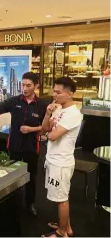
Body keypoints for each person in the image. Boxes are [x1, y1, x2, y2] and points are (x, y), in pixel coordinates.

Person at [0, 72, 48, 216]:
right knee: (12, 176)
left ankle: (30, 204)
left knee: (31, 177)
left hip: (32, 147)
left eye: (28, 85)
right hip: (14, 146)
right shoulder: (15, 101)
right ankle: (13, 204)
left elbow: (46, 128)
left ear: (36, 86)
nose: (24, 88)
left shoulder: (43, 105)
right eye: (23, 85)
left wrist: (31, 129)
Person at [41, 77, 82, 237]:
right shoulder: (58, 109)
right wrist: (47, 113)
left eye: (58, 92)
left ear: (70, 93)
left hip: (61, 162)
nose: (54, 95)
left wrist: (47, 134)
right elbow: (45, 129)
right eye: (54, 91)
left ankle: (61, 232)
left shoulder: (72, 114)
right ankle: (67, 226)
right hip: (53, 159)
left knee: (62, 198)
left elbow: (52, 136)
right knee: (60, 196)